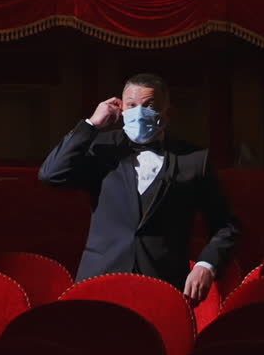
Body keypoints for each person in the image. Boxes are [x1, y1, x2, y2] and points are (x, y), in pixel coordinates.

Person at [38, 71, 239, 306]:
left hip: (163, 282)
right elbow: (51, 174)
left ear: (167, 113)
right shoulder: (101, 148)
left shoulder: (194, 159)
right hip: (100, 278)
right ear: (121, 109)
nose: (139, 112)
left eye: (149, 106)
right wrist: (92, 124)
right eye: (132, 105)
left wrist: (206, 265)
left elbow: (225, 225)